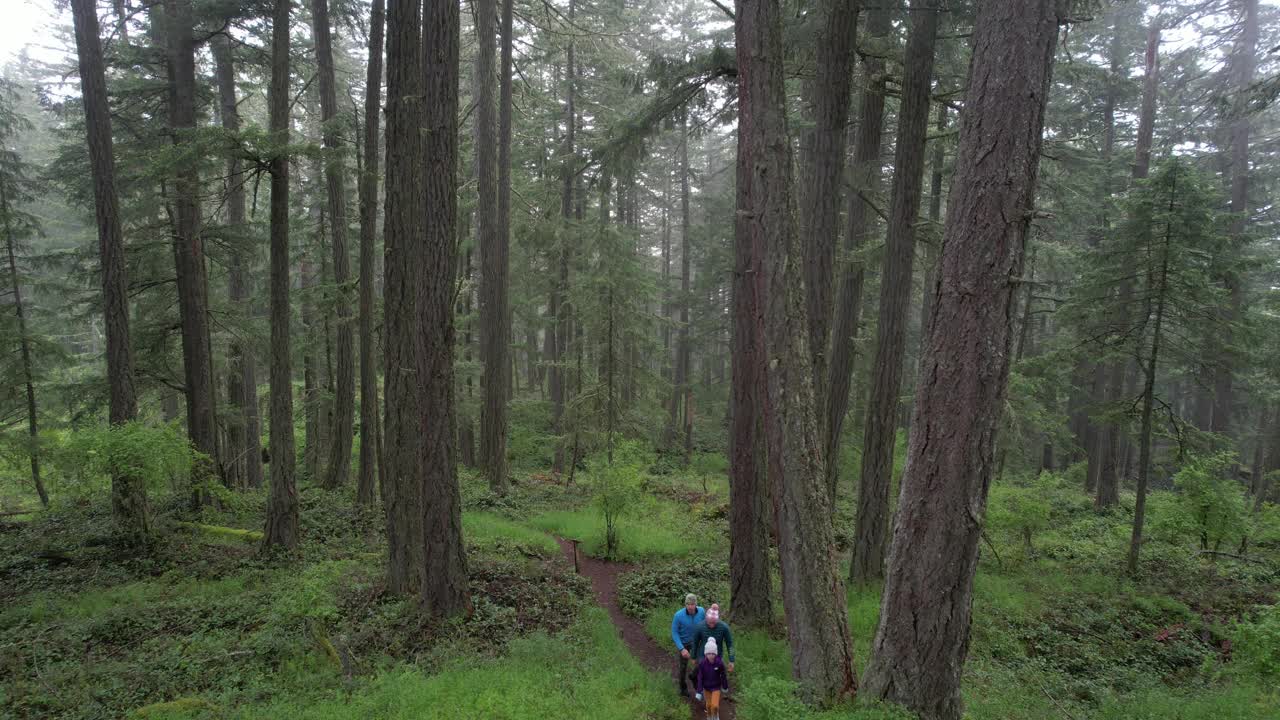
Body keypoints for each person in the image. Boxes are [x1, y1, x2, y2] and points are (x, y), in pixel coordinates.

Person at [671, 593, 705, 696]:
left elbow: (705, 625)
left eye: (692, 604)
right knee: (683, 667)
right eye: (688, 604)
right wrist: (681, 649)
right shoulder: (678, 615)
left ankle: (694, 676)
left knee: (703, 662)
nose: (690, 606)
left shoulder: (702, 611)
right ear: (685, 604)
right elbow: (674, 632)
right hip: (684, 643)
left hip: (697, 642)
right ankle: (683, 688)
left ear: (696, 604)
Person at [692, 604, 735, 674]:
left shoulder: (724, 627)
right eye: (709, 623)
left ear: (717, 620)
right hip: (702, 656)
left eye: (714, 623)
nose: (712, 625)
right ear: (706, 619)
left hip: (717, 656)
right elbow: (695, 643)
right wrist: (693, 657)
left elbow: (730, 645)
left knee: (717, 674)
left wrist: (732, 660)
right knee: (702, 674)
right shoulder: (699, 627)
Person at [693, 637, 729, 720]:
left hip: (716, 687)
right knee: (709, 705)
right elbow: (700, 677)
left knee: (715, 705)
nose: (711, 656)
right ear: (706, 654)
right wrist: (699, 691)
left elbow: (723, 675)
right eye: (709, 653)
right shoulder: (702, 664)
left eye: (713, 654)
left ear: (715, 654)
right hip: (706, 688)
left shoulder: (719, 663)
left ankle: (716, 716)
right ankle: (709, 716)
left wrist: (725, 686)